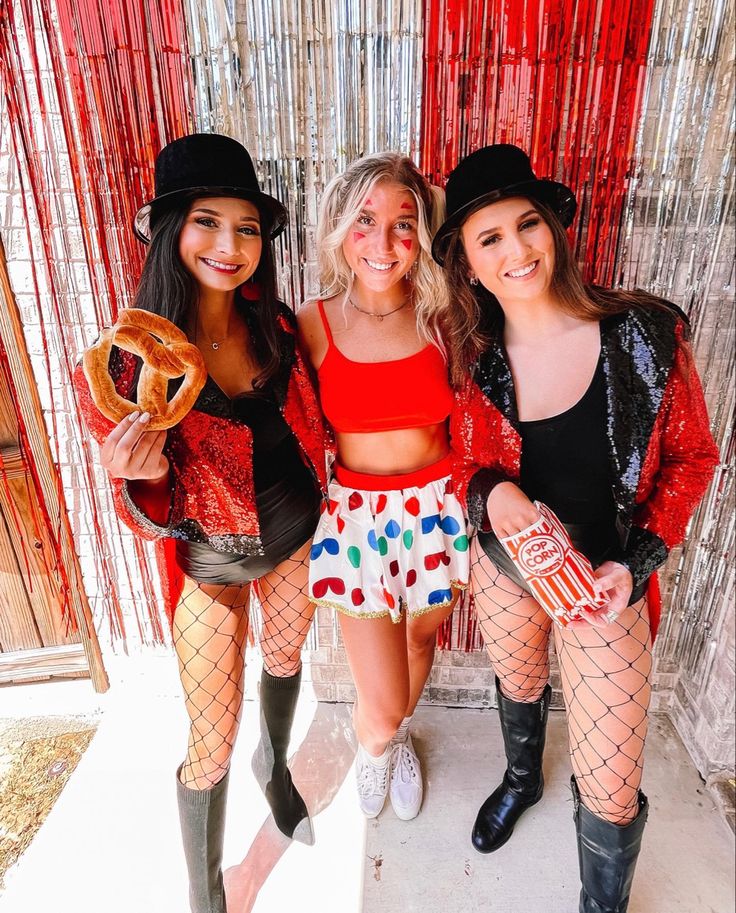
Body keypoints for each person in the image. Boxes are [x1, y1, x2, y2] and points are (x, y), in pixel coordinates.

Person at [432, 144, 719, 913]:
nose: (516, 249)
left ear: (555, 228)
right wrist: (494, 493)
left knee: (612, 782)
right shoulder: (473, 356)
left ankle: (602, 904)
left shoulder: (647, 335)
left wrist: (639, 559)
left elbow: (694, 457)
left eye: (527, 224)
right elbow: (463, 462)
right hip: (505, 567)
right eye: (488, 237)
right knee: (519, 680)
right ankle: (521, 779)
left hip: (604, 580)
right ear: (466, 260)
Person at [75, 133, 328, 913]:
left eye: (247, 227)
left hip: (296, 539)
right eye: (207, 222)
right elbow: (148, 514)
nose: (229, 245)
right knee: (207, 743)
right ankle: (206, 893)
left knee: (285, 656)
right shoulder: (131, 363)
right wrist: (143, 475)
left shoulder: (276, 327)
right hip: (211, 570)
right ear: (171, 231)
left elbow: (312, 429)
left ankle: (278, 766)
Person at [297, 153, 468, 821]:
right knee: (384, 696)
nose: (385, 242)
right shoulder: (311, 323)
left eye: (406, 222)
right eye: (366, 220)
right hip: (359, 522)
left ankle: (392, 743)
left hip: (439, 514)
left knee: (420, 642)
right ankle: (377, 746)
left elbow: (481, 417)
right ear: (341, 227)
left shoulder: (444, 317)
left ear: (423, 234)